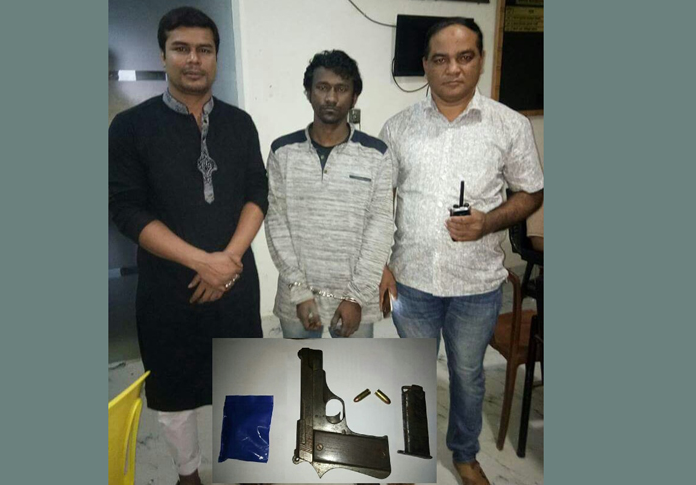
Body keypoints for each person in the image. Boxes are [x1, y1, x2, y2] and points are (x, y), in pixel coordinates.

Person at [379, 17, 543, 485]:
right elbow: (380, 200)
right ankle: (413, 453)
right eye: (441, 59)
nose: (453, 68)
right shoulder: (398, 128)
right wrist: (382, 263)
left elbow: (532, 192)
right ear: (425, 65)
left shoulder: (509, 125)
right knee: (412, 373)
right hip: (412, 281)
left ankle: (464, 455)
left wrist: (487, 222)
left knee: (468, 375)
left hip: (477, 284)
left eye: (464, 57)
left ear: (481, 60)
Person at [108, 7, 268, 485]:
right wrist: (203, 262)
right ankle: (187, 473)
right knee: (174, 390)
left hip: (236, 283)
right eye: (181, 48)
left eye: (204, 49)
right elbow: (127, 210)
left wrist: (229, 261)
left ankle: (244, 466)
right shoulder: (130, 127)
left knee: (245, 381)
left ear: (216, 57)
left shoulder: (240, 123)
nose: (193, 59)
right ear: (163, 55)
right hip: (168, 288)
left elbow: (257, 194)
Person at [265, 50, 394, 338]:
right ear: (308, 93)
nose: (331, 98)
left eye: (341, 89)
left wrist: (356, 297)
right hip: (296, 299)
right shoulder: (283, 152)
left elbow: (380, 227)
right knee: (302, 366)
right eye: (322, 88)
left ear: (354, 97)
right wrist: (299, 292)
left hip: (355, 302)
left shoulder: (377, 154)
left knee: (352, 368)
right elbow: (275, 223)